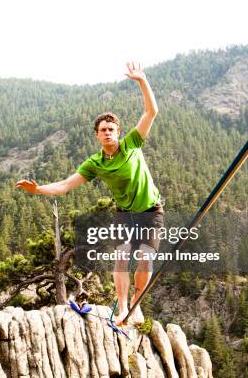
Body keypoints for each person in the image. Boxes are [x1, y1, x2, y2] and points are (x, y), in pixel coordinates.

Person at [15, 62, 163, 326]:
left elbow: (151, 112)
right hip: (125, 214)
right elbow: (65, 185)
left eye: (112, 129)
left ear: (119, 132)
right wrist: (37, 189)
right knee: (121, 258)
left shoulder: (132, 143)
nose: (108, 133)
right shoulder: (95, 163)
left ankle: (137, 305)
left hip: (151, 210)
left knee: (144, 260)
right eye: (103, 130)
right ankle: (123, 307)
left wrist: (142, 81)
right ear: (97, 135)